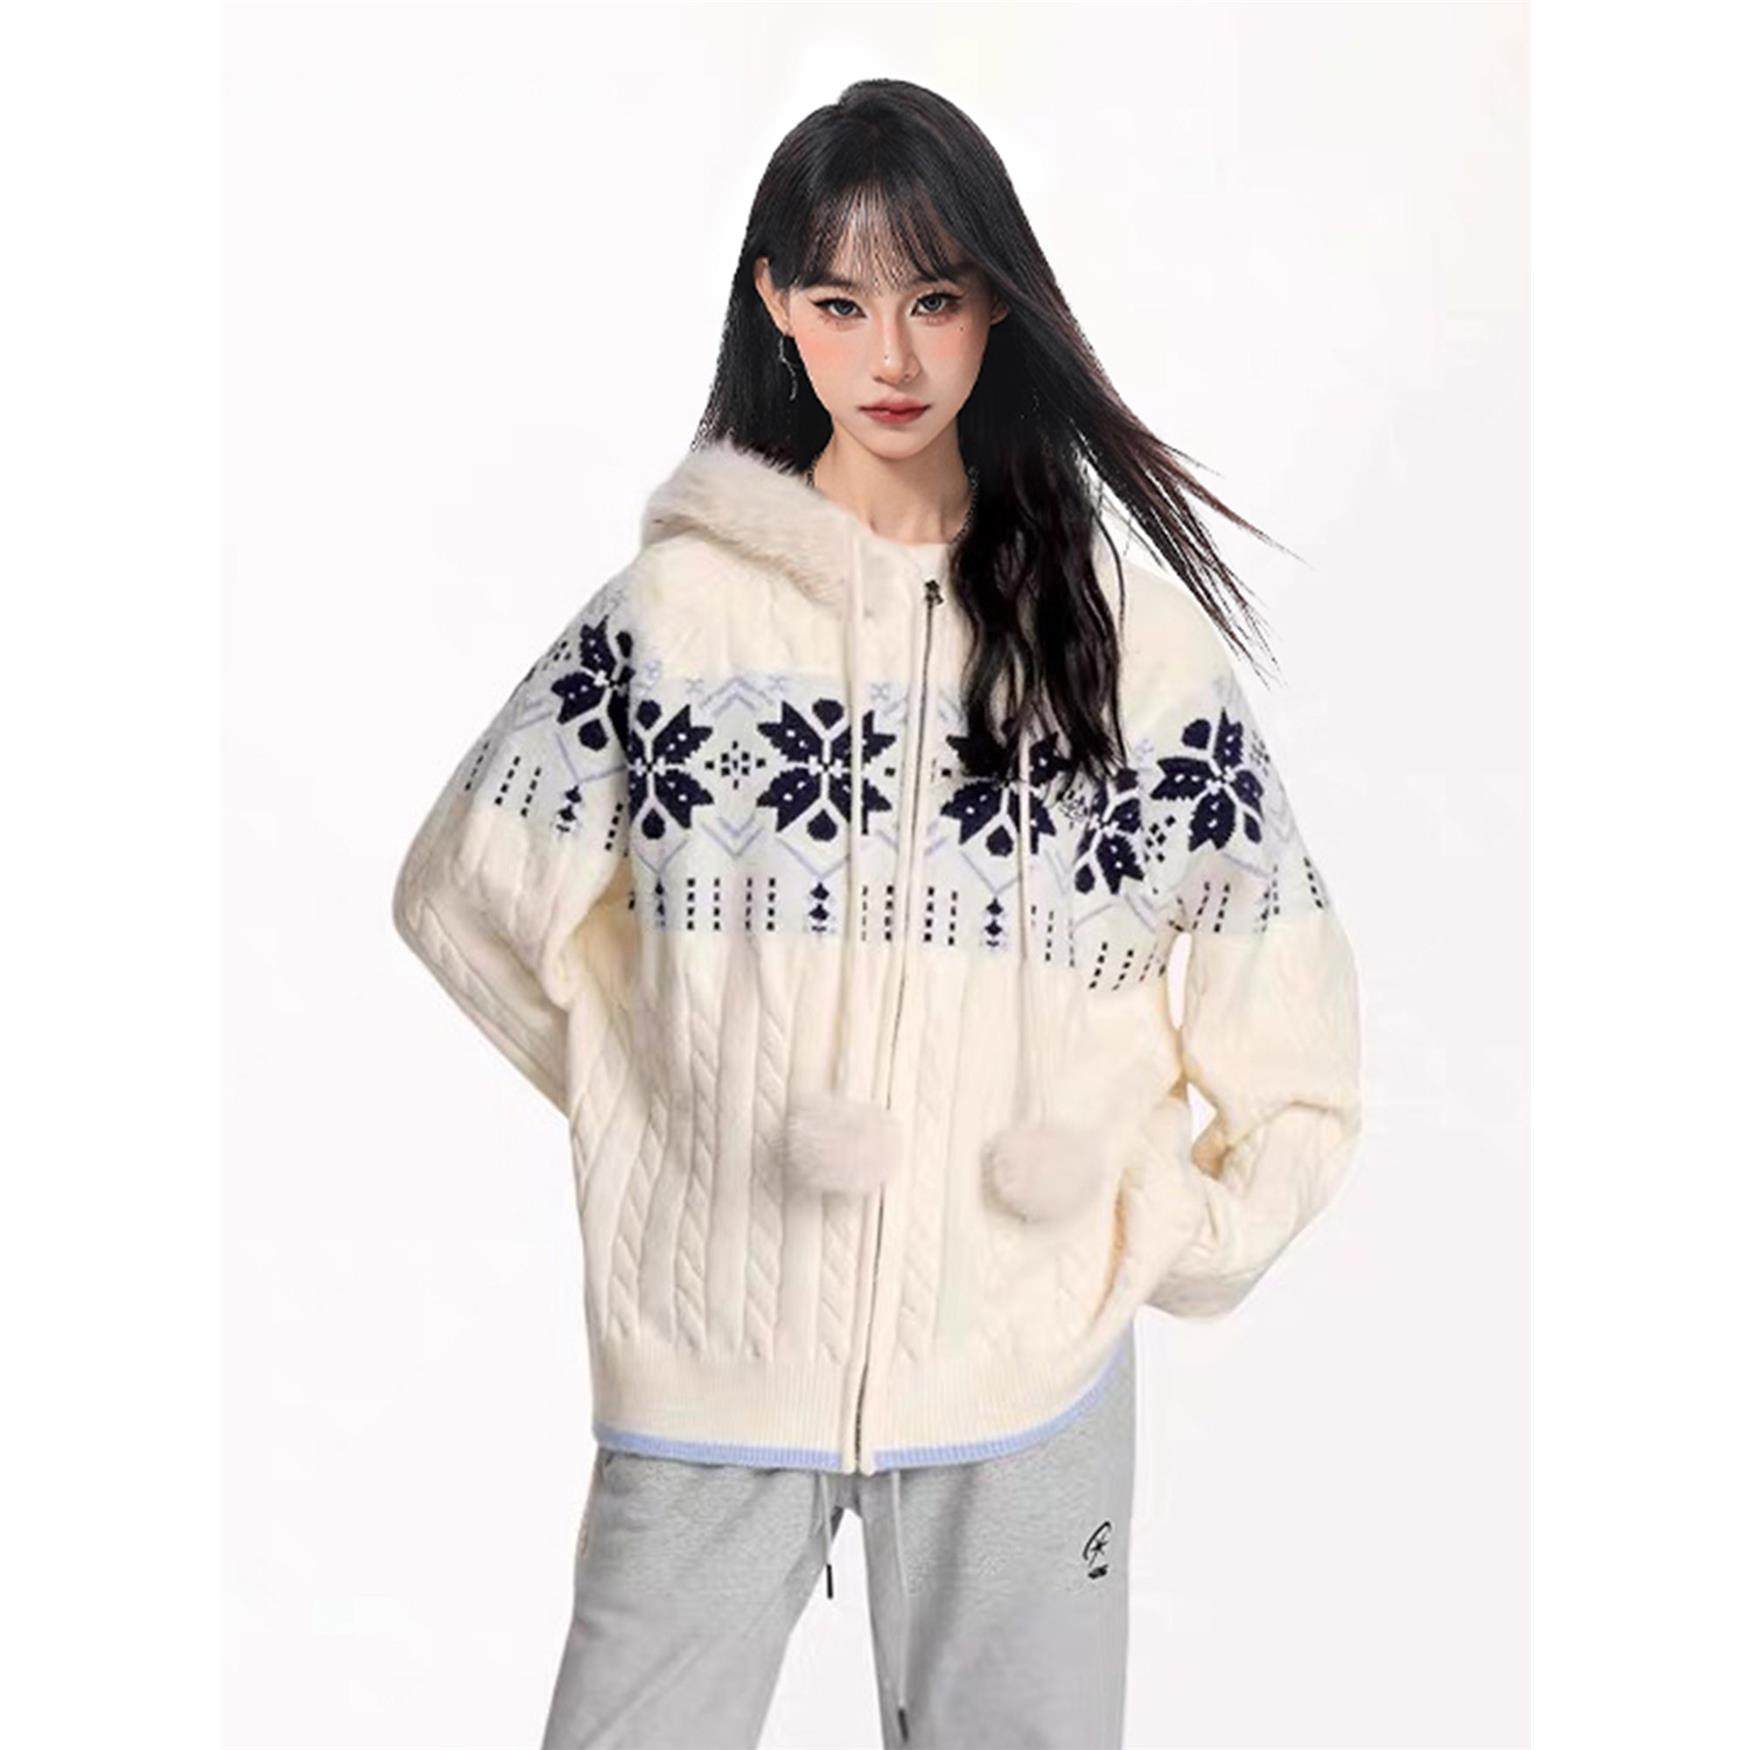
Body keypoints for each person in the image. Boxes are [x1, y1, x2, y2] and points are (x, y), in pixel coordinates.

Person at [392, 77, 1363, 1750]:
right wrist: (671, 1106)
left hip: (1028, 1374)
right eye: (840, 304)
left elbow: (1293, 1047)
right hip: (711, 1362)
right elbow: (463, 896)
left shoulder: (1124, 649)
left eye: (933, 298)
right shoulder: (680, 616)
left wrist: (1146, 1222)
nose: (891, 355)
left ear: (997, 304)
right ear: (775, 305)